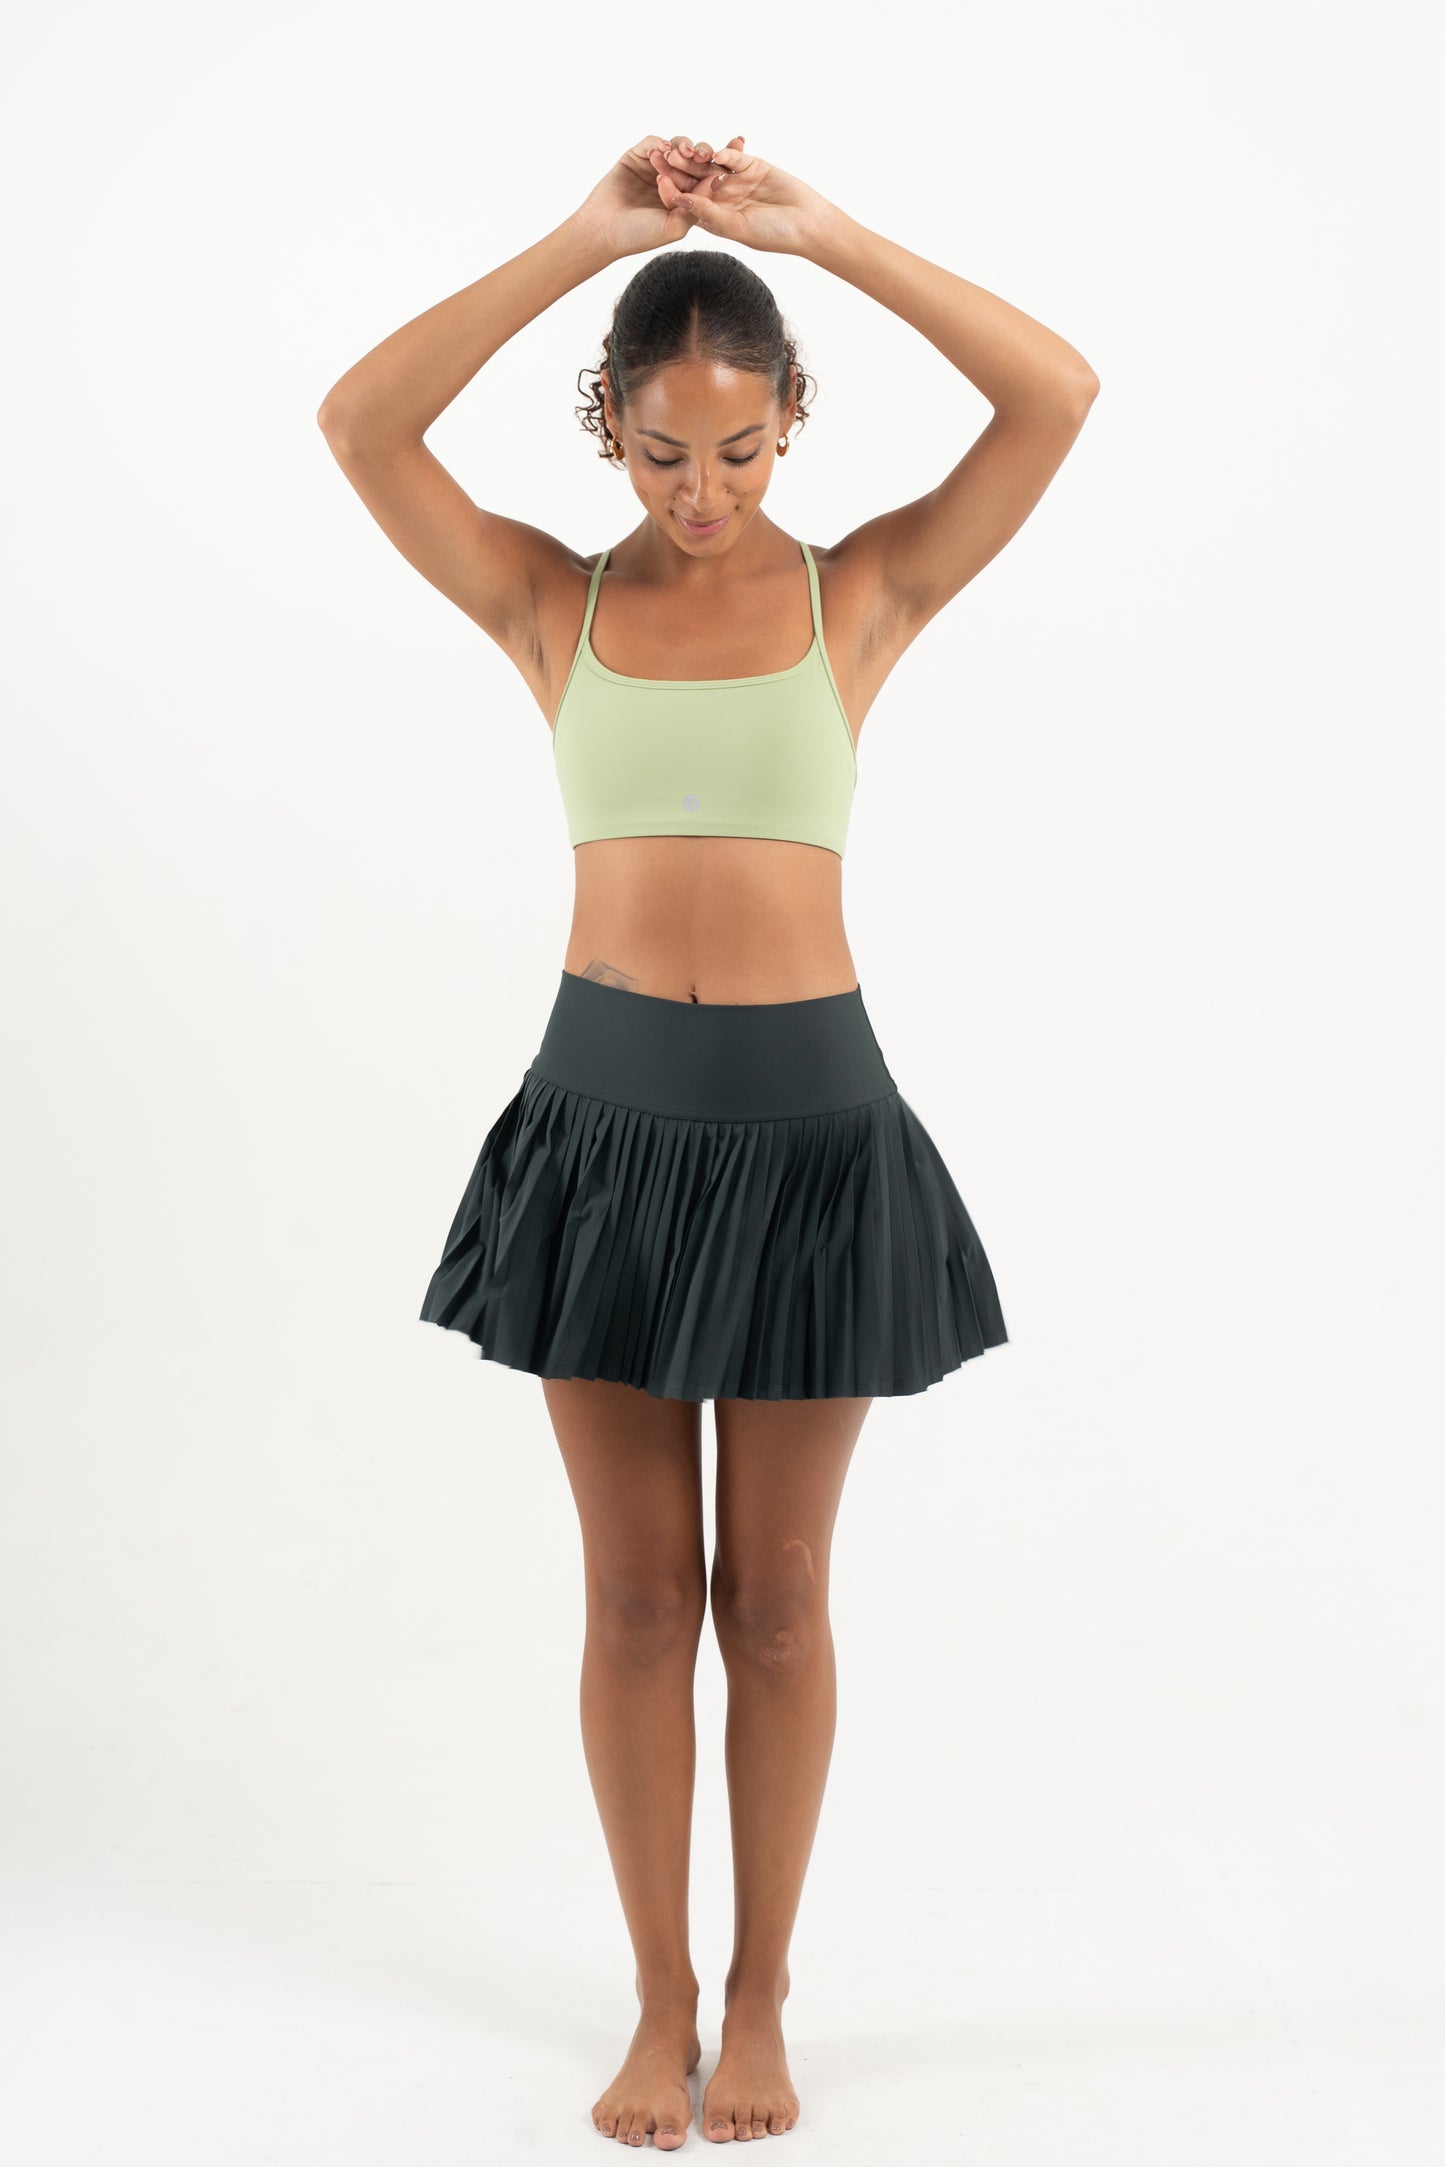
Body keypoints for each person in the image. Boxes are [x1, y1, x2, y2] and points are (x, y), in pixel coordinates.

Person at [318, 132, 1098, 2149]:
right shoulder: (546, 601)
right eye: (663, 452)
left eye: (741, 450)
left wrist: (822, 234)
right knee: (638, 1600)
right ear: (610, 428)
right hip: (597, 1143)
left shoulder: (862, 594)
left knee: (776, 1600)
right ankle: (657, 1995)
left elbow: (1055, 395)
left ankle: (762, 1998)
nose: (702, 492)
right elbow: (363, 424)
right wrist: (583, 237)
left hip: (812, 1139)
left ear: (790, 421)